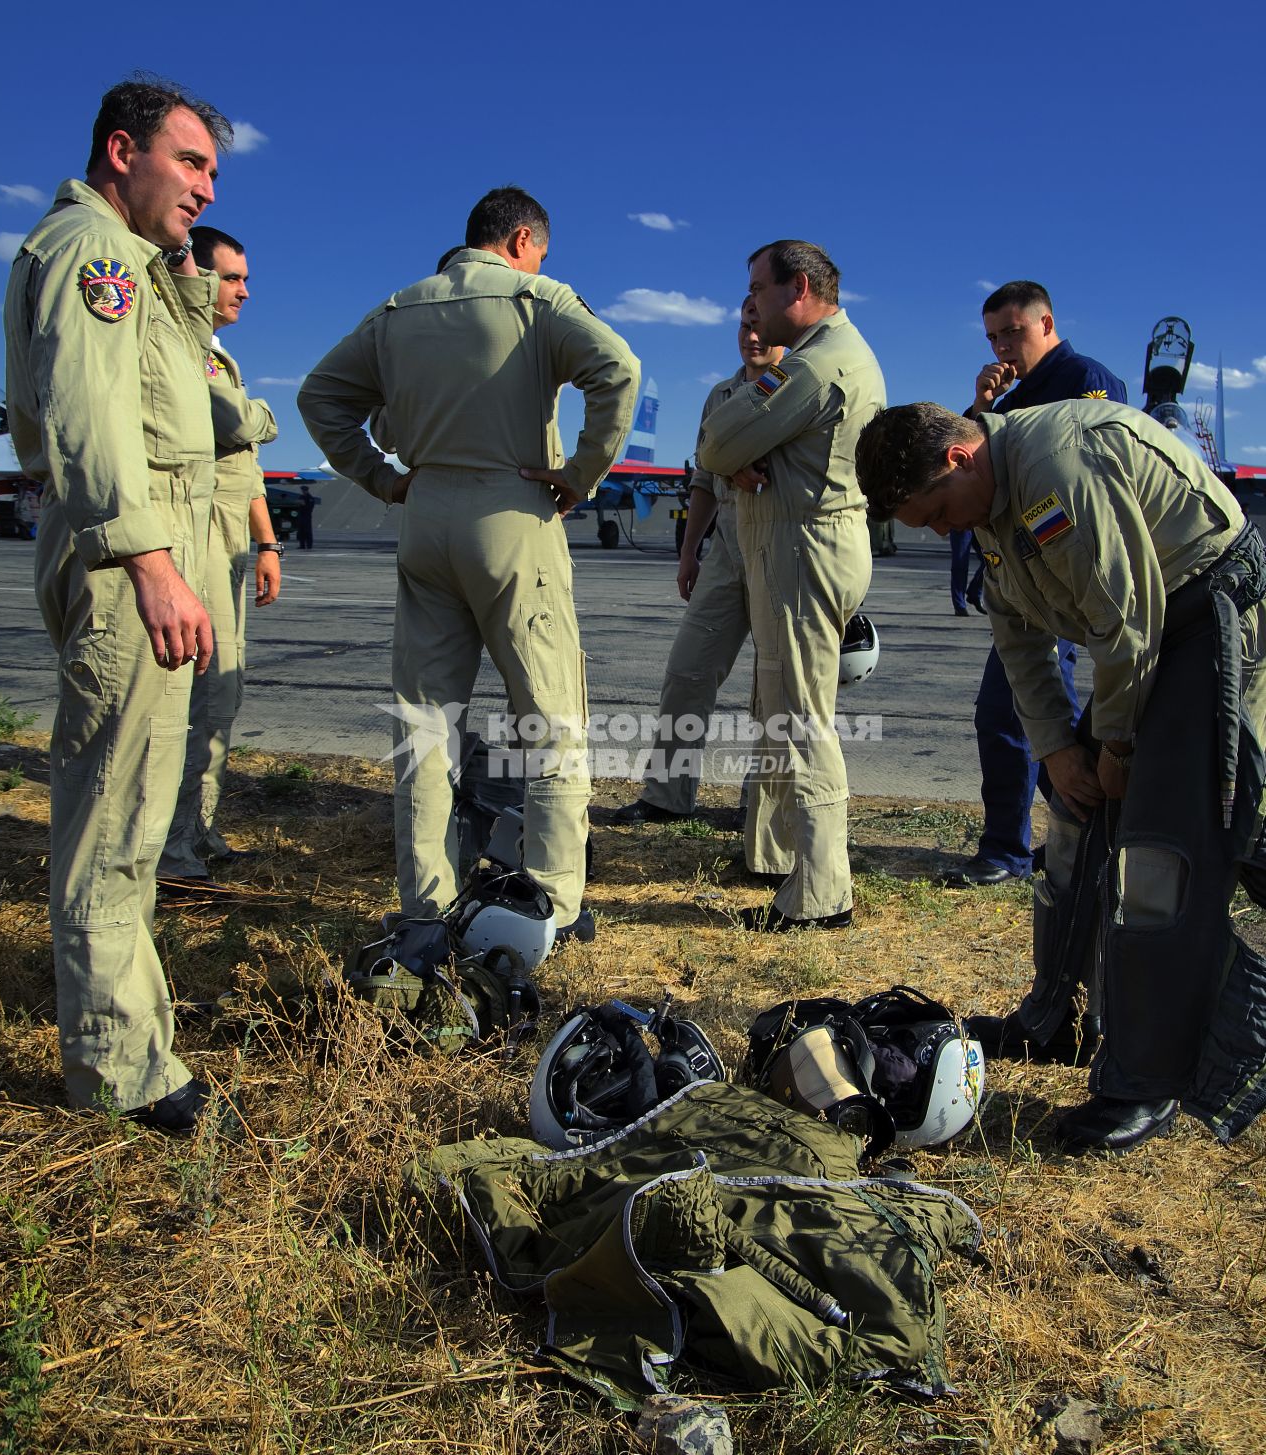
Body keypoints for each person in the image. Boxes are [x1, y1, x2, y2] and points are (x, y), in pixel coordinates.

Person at [854, 399, 1266, 1153]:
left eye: (937, 513)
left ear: (958, 458)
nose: (943, 532)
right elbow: (1018, 639)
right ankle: (1058, 1020)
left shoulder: (1054, 470)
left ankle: (1144, 1080)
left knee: (1158, 859)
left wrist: (1115, 747)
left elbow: (1127, 619)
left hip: (1204, 619)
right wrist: (1059, 749)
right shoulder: (988, 502)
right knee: (1074, 822)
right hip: (1146, 646)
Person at [298, 186, 639, 942]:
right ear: (522, 240)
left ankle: (426, 901)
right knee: (549, 716)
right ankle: (551, 900)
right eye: (541, 252)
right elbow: (617, 370)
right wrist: (582, 471)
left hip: (425, 517)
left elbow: (320, 397)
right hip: (512, 513)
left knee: (424, 722)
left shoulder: (396, 311)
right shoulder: (535, 300)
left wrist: (383, 477)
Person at [3, 78, 232, 1132]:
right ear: (119, 148)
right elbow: (92, 419)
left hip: (146, 537)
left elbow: (164, 383)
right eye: (188, 164)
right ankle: (118, 1070)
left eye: (212, 175)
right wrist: (150, 562)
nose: (203, 188)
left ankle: (132, 1034)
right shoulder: (90, 253)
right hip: (123, 551)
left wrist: (178, 267)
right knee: (115, 819)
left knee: (137, 808)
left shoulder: (134, 259)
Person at [698, 240, 885, 931]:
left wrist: (740, 449)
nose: (751, 305)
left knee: (803, 719)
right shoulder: (827, 354)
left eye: (759, 288)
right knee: (782, 710)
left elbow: (715, 443)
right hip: (800, 547)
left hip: (805, 552)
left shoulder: (814, 366)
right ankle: (780, 858)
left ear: (798, 287)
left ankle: (821, 893)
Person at [942, 281, 1127, 888]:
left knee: (1012, 709)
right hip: (1018, 581)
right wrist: (982, 405)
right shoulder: (1009, 396)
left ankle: (1014, 847)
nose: (1002, 348)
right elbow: (957, 464)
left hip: (1069, 579)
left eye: (1012, 333)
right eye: (992, 337)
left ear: (1046, 323)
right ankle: (1077, 836)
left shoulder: (1084, 377)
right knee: (1037, 714)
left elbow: (1097, 466)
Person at [612, 307, 789, 875]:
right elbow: (705, 483)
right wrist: (689, 552)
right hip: (726, 553)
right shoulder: (720, 397)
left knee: (774, 689)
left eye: (761, 327)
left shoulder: (799, 388)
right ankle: (666, 797)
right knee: (687, 672)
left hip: (779, 552)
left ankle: (759, 806)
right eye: (743, 326)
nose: (752, 337)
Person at [158, 226, 280, 891]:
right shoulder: (190, 349)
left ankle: (198, 831)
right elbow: (239, 425)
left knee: (223, 690)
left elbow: (247, 466)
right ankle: (176, 850)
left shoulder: (216, 352)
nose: (243, 290)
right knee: (205, 689)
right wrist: (261, 412)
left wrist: (267, 541)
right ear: (196, 275)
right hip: (200, 538)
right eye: (231, 277)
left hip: (232, 539)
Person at [297, 482, 314, 549]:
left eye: (304, 490)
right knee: (301, 531)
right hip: (301, 516)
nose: (303, 492)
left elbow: (310, 507)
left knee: (308, 531)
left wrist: (304, 504)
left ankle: (309, 545)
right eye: (302, 490)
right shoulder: (301, 497)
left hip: (307, 516)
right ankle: (302, 545)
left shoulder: (310, 498)